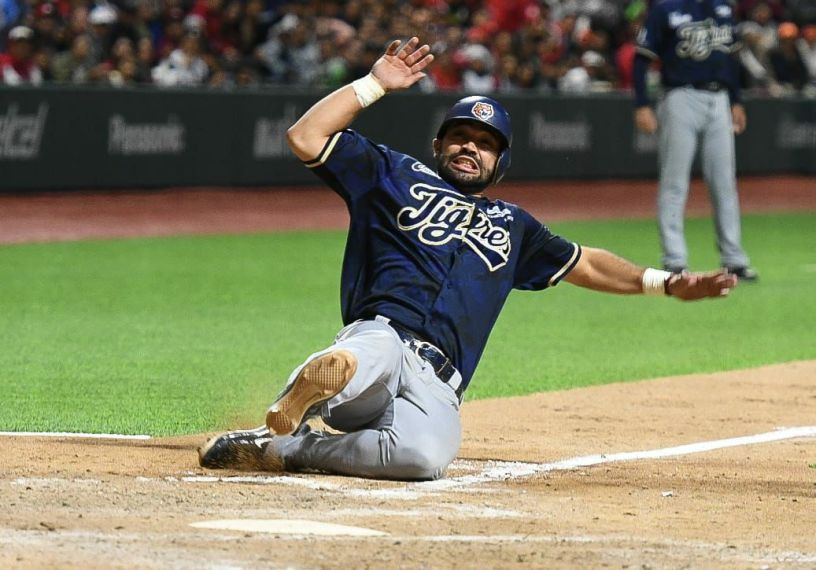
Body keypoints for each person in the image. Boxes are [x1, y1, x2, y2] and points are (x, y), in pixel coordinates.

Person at [199, 37, 738, 481]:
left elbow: (587, 263)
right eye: (459, 137)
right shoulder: (392, 174)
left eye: (485, 143)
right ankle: (307, 391)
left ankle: (285, 448)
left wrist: (667, 282)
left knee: (422, 458)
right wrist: (373, 85)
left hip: (439, 382)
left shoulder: (516, 226)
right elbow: (305, 136)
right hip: (382, 341)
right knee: (368, 355)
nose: (469, 147)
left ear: (500, 161)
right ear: (438, 146)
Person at [632, 0, 758, 280]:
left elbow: (731, 59)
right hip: (680, 96)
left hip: (719, 98)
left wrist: (736, 100)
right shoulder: (666, 9)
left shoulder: (723, 8)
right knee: (674, 182)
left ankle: (734, 259)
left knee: (724, 182)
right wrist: (641, 104)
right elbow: (641, 58)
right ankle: (674, 261)